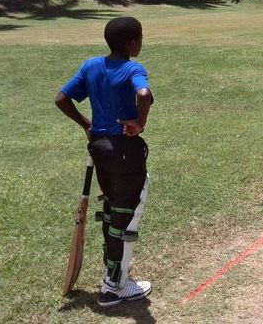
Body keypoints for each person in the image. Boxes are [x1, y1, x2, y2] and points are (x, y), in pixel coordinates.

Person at [55, 16, 154, 307]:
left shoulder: (91, 65)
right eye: (141, 37)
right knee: (126, 213)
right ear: (132, 43)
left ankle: (112, 273)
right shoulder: (132, 67)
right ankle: (115, 286)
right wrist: (140, 122)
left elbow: (62, 99)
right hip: (124, 150)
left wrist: (87, 124)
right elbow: (144, 93)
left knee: (113, 210)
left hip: (99, 148)